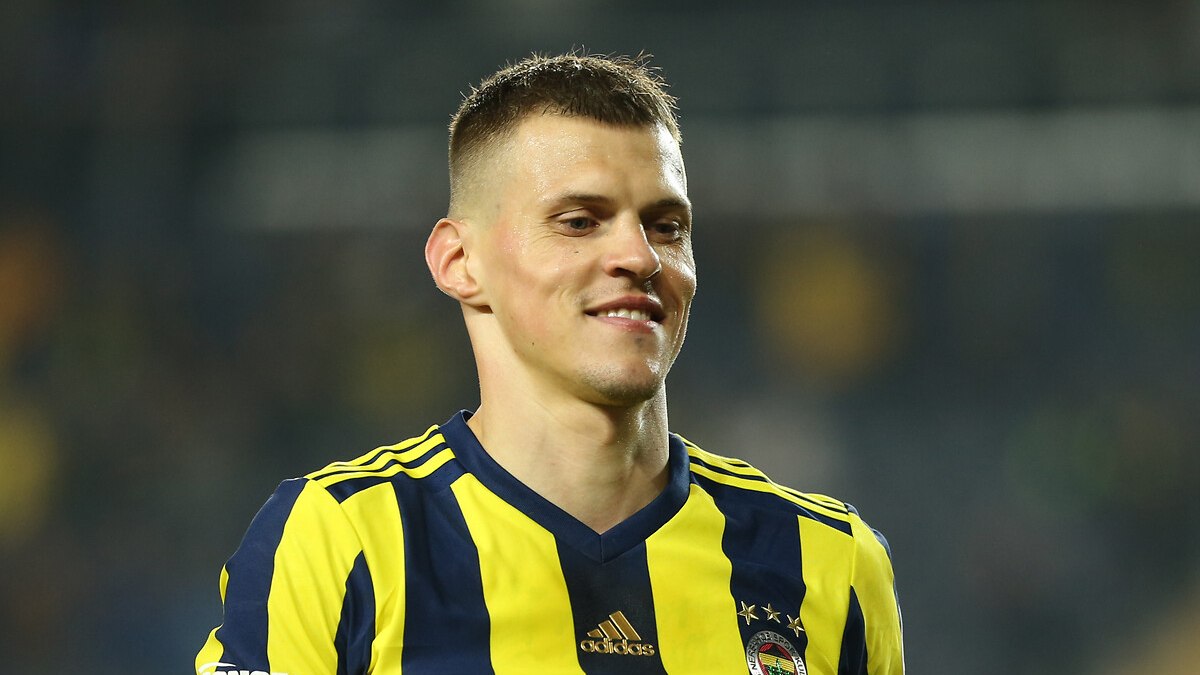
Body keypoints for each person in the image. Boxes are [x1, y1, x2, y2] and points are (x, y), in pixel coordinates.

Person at [196, 52, 904, 675]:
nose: (639, 256)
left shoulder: (829, 561)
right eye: (579, 222)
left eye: (666, 226)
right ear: (459, 261)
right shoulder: (338, 542)